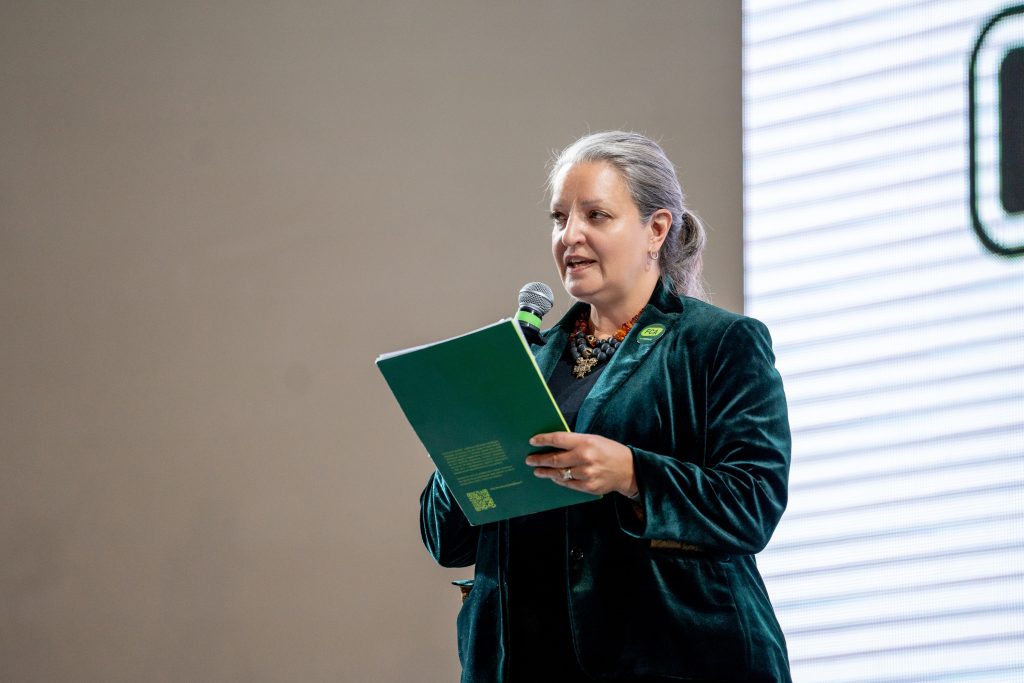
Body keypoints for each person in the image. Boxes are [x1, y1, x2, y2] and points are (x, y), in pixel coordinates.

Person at [420, 131, 792, 682]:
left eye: (596, 215)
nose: (571, 236)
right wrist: (464, 440)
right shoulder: (528, 359)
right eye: (559, 218)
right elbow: (447, 542)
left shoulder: (718, 344)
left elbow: (752, 503)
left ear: (656, 229)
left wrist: (632, 473)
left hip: (673, 657)